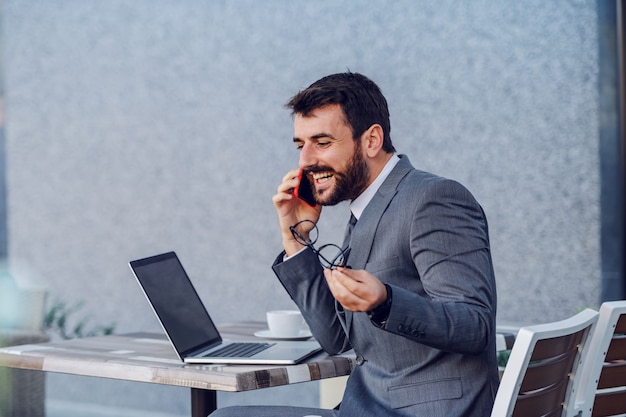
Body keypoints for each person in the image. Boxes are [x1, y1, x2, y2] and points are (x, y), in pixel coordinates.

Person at [210, 72, 499, 417]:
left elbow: (474, 325)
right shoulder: (366, 207)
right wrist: (294, 237)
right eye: (301, 145)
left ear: (372, 140)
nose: (306, 161)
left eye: (323, 142)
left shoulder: (432, 199)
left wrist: (386, 302)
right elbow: (336, 338)